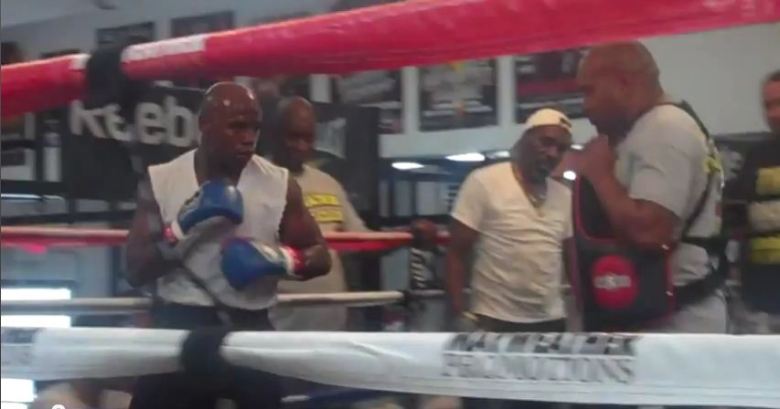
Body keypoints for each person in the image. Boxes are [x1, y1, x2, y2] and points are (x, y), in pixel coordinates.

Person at [125, 82, 331, 409]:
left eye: (254, 128)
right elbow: (135, 269)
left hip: (250, 325)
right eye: (237, 127)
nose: (248, 138)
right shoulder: (163, 180)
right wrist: (181, 228)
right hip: (180, 322)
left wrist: (279, 260)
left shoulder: (278, 184)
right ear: (205, 125)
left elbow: (320, 255)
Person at [573, 42, 726, 333]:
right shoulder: (650, 129)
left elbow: (650, 231)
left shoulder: (664, 128)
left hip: (676, 322)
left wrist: (600, 174)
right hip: (659, 315)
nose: (585, 105)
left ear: (623, 83)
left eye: (589, 91)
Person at [446, 107, 573, 409]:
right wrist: (461, 315)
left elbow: (571, 260)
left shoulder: (564, 195)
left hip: (548, 326)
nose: (553, 153)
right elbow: (456, 253)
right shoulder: (484, 182)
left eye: (561, 148)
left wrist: (582, 315)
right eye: (546, 142)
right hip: (492, 324)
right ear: (525, 139)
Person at [267, 96, 368, 331]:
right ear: (275, 135)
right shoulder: (256, 181)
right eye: (293, 137)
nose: (302, 146)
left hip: (334, 327)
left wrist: (410, 234)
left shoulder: (328, 184)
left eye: (308, 138)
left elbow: (363, 240)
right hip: (281, 329)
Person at [732, 70, 780, 333]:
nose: (773, 113)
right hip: (760, 301)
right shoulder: (756, 156)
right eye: (768, 105)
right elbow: (738, 218)